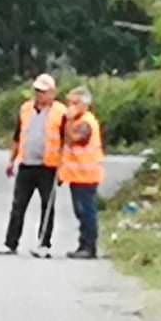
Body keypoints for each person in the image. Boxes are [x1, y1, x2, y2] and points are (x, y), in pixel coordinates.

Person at [0, 73, 67, 258]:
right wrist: (11, 161)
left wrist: (63, 168)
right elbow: (17, 136)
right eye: (37, 91)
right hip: (26, 164)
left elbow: (66, 142)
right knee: (18, 205)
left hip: (48, 166)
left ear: (53, 92)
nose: (39, 95)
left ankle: (44, 244)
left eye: (43, 91)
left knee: (47, 206)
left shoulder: (61, 112)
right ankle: (10, 243)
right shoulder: (25, 109)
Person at [59, 86, 104, 259]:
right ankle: (82, 244)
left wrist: (68, 121)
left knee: (86, 211)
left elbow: (72, 140)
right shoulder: (78, 121)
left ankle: (89, 247)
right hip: (77, 176)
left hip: (87, 175)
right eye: (69, 102)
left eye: (75, 103)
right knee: (80, 212)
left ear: (84, 105)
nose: (70, 106)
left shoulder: (86, 122)